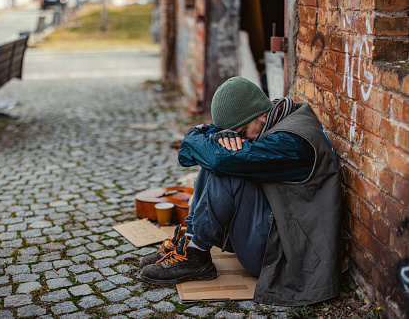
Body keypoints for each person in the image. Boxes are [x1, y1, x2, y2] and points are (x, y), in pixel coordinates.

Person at [139, 76, 341, 306]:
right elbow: (188, 154)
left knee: (224, 166)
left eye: (243, 132)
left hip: (290, 254)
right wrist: (211, 134)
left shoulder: (291, 143)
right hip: (277, 230)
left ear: (260, 113)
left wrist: (207, 139)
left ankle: (196, 253)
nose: (242, 139)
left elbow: (217, 160)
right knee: (220, 154)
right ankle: (191, 244)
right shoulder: (273, 116)